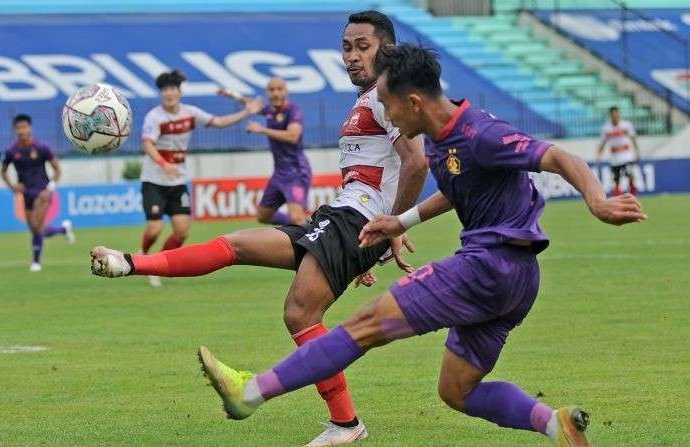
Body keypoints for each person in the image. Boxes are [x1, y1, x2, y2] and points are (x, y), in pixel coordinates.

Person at [195, 44, 647, 447]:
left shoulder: (480, 134)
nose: (387, 116)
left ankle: (248, 394)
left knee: (363, 326)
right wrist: (401, 221)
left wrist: (598, 200)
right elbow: (457, 189)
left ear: (413, 102)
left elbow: (556, 156)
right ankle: (557, 425)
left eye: (389, 107)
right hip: (515, 283)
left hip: (488, 265)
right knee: (457, 391)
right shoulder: (437, 141)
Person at [91, 11, 427, 446]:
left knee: (300, 313)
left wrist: (391, 225)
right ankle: (128, 264)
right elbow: (386, 172)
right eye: (346, 47)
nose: (351, 56)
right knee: (236, 244)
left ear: (387, 49)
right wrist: (378, 238)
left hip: (355, 220)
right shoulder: (365, 100)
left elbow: (417, 162)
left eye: (362, 46)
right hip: (342, 219)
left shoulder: (388, 95)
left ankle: (342, 423)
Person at [139, 69, 263, 287]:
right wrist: (164, 164)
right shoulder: (154, 117)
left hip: (177, 182)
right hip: (154, 181)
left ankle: (156, 265)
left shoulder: (190, 113)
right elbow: (147, 143)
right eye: (165, 90)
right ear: (161, 94)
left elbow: (219, 122)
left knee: (182, 231)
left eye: (172, 89)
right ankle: (143, 255)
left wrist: (246, 113)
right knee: (154, 229)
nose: (169, 93)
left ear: (179, 92)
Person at [219, 78, 312, 226]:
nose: (275, 93)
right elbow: (252, 104)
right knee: (263, 215)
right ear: (267, 93)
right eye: (272, 90)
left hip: (296, 172)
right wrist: (232, 94)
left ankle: (308, 234)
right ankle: (305, 226)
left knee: (296, 217)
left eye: (279, 89)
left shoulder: (293, 110)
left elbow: (293, 136)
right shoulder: (270, 110)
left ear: (286, 91)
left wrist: (262, 130)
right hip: (279, 173)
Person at [0, 114, 75, 272]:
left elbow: (57, 170)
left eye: (24, 127)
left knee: (36, 227)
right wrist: (12, 186)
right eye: (18, 128)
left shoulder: (41, 148)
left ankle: (36, 262)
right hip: (26, 193)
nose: (21, 131)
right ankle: (63, 230)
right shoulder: (11, 151)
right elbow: (3, 171)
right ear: (14, 130)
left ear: (30, 128)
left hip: (42, 193)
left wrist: (50, 189)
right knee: (36, 228)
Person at [596, 106, 641, 196]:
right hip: (615, 157)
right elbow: (602, 143)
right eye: (613, 115)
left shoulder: (626, 125)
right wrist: (598, 156)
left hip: (626, 155)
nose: (615, 116)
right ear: (610, 115)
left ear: (619, 114)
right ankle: (618, 197)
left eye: (616, 114)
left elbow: (633, 138)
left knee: (629, 175)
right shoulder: (607, 128)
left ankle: (633, 194)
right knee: (616, 179)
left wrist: (637, 152)